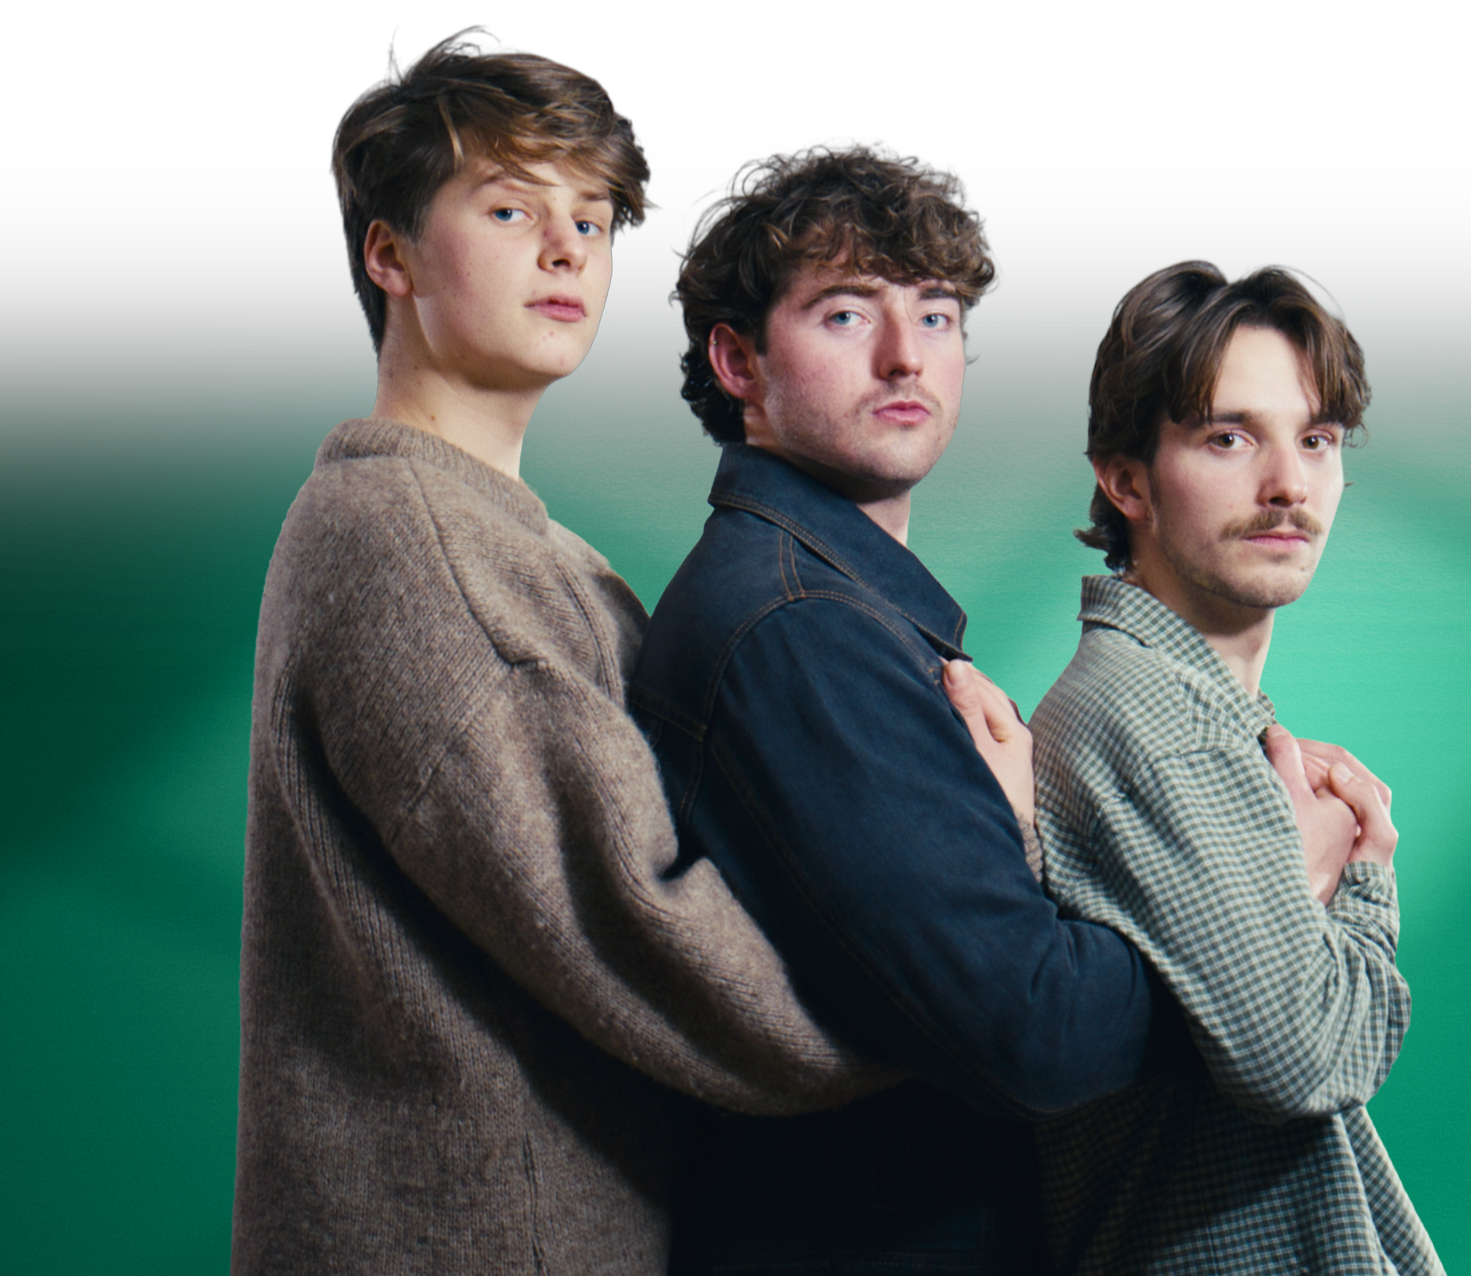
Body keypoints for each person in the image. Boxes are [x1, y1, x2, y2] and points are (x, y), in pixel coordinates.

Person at [234, 39, 1014, 1274]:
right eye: (509, 210)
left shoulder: (534, 552)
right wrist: (955, 996)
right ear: (389, 253)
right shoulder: (407, 541)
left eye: (591, 221)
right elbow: (638, 928)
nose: (566, 251)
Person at [629, 146, 1190, 1276]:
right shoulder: (799, 629)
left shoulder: (836, 604)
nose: (905, 357)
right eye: (845, 315)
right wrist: (1268, 908)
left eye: (935, 314)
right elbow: (1039, 1030)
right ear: (737, 359)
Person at [1027, 261, 1439, 1274]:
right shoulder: (1149, 715)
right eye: (1228, 438)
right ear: (1126, 479)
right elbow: (1306, 1057)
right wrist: (1359, 880)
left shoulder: (1206, 716)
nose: (1288, 485)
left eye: (1316, 440)